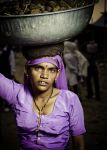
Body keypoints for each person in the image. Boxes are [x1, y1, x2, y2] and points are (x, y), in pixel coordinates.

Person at [0, 44, 86, 150]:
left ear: (57, 74)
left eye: (51, 70)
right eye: (38, 68)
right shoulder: (17, 94)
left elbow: (79, 143)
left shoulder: (70, 100)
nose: (44, 76)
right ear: (27, 70)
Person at [0, 45, 16, 112]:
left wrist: (12, 74)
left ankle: (8, 105)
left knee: (7, 91)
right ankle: (1, 105)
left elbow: (12, 63)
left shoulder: (9, 51)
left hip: (7, 74)